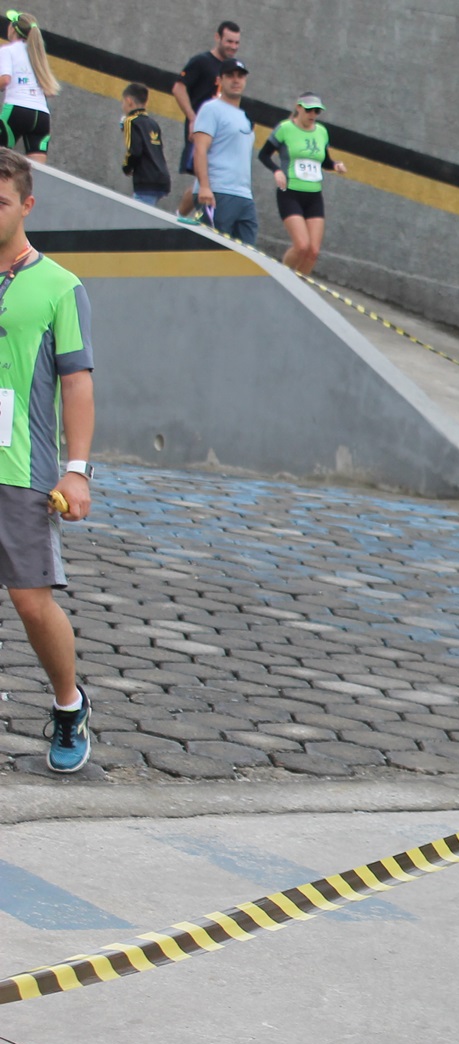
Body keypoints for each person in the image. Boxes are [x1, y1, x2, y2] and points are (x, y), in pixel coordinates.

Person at [0, 150, 98, 773]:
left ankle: (69, 705)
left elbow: (77, 382)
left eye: (0, 202)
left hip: (22, 470)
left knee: (31, 603)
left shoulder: (61, 286)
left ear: (27, 205)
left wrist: (77, 469)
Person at [259, 93, 344, 274]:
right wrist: (277, 170)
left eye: (317, 111)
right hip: (290, 192)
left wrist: (335, 165)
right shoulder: (285, 128)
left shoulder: (321, 132)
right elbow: (263, 155)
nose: (312, 114)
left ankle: (298, 285)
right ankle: (281, 277)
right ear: (298, 108)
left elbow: (324, 161)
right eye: (309, 110)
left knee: (313, 251)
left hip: (313, 196)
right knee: (302, 246)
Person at [172, 20, 240, 220]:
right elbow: (178, 88)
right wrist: (193, 119)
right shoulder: (201, 62)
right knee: (205, 179)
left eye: (236, 43)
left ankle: (186, 218)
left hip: (221, 133)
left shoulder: (232, 69)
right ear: (217, 37)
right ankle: (183, 217)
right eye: (229, 41)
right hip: (202, 131)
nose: (233, 46)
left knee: (209, 180)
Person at [190, 58, 257, 246]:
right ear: (219, 80)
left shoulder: (244, 116)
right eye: (230, 76)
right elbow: (200, 149)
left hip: (244, 196)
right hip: (217, 192)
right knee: (212, 253)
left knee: (247, 256)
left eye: (240, 76)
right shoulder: (211, 109)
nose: (236, 80)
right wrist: (204, 187)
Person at [0, 12, 58, 162]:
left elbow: (5, 80)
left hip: (16, 110)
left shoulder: (8, 50)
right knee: (37, 171)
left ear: (13, 28)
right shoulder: (37, 53)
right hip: (42, 116)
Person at [120, 83, 170, 207]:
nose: (122, 106)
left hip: (146, 180)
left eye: (123, 102)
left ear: (129, 101)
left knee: (136, 216)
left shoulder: (130, 121)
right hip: (161, 178)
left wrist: (127, 167)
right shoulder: (153, 124)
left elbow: (135, 151)